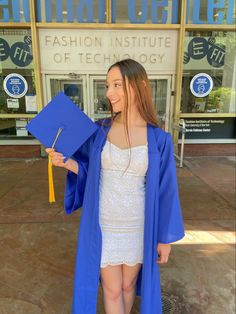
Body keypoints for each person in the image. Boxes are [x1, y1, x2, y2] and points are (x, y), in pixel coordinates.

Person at [46, 59, 185, 314]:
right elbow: (91, 173)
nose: (109, 93)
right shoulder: (99, 132)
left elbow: (166, 191)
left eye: (117, 85)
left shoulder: (159, 139)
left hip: (138, 227)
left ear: (140, 85)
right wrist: (68, 163)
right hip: (104, 225)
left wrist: (165, 239)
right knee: (111, 289)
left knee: (127, 285)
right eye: (108, 85)